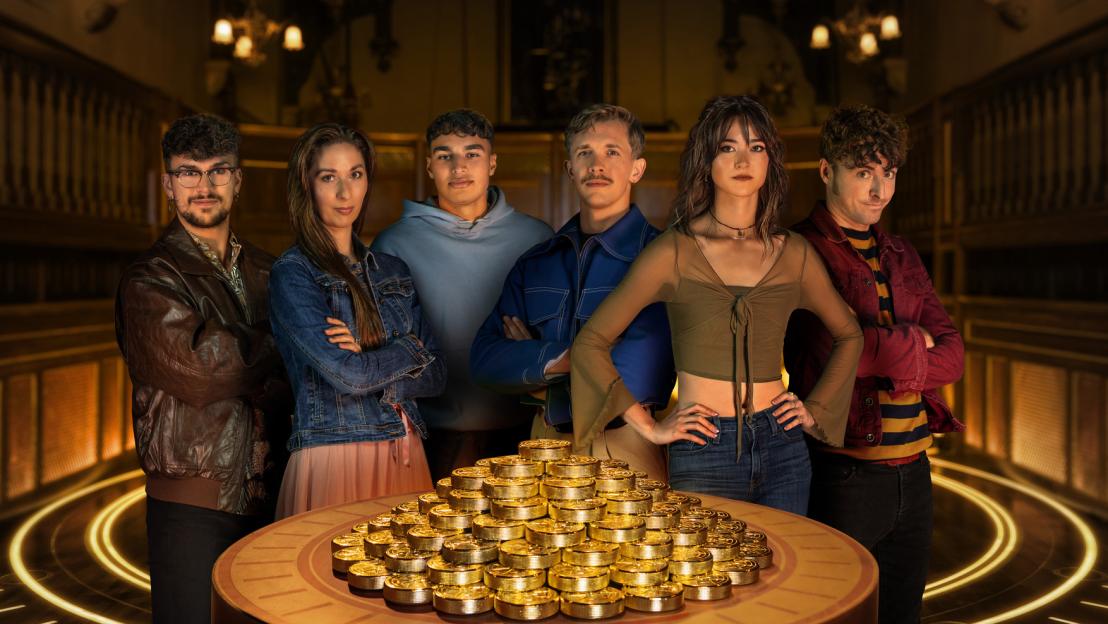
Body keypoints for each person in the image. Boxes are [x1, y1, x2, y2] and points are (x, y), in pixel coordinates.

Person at [571, 95, 863, 514]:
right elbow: (591, 342)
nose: (744, 159)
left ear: (769, 162)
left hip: (783, 446)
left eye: (756, 147)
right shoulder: (675, 250)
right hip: (703, 447)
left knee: (785, 576)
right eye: (728, 147)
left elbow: (850, 334)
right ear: (707, 160)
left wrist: (814, 411)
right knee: (711, 577)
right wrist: (650, 427)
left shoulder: (794, 252)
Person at [785, 105, 965, 623]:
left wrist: (878, 349)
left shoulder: (902, 252)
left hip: (917, 472)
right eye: (864, 172)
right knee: (841, 613)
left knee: (902, 615)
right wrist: (913, 344)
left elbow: (952, 355)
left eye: (888, 173)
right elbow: (826, 351)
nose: (879, 189)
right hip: (845, 474)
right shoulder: (800, 249)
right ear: (827, 171)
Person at [115, 113, 291, 623]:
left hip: (274, 488)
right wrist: (283, 340)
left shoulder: (270, 269)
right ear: (168, 184)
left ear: (238, 180)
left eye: (218, 170)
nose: (205, 185)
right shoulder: (148, 280)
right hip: (193, 502)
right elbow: (202, 369)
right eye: (189, 172)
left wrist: (251, 357)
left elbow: (296, 374)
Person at [471, 104, 673, 479]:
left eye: (612, 152)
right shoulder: (536, 262)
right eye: (585, 153)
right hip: (543, 445)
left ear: (637, 168)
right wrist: (570, 358)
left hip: (626, 444)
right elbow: (484, 359)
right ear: (569, 169)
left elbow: (643, 373)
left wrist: (536, 373)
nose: (597, 165)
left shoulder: (664, 258)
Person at [268, 123, 446, 518]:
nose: (345, 193)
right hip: (336, 452)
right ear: (307, 185)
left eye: (355, 174)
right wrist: (408, 349)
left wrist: (368, 358)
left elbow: (438, 376)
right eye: (329, 177)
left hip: (405, 448)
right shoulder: (293, 274)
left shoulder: (392, 270)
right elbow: (349, 377)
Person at [371, 109, 551, 479]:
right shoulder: (393, 243)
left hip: (521, 428)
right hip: (428, 434)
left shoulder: (537, 238)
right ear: (428, 166)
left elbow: (560, 337)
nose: (458, 167)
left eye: (472, 154)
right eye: (444, 156)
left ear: (492, 163)